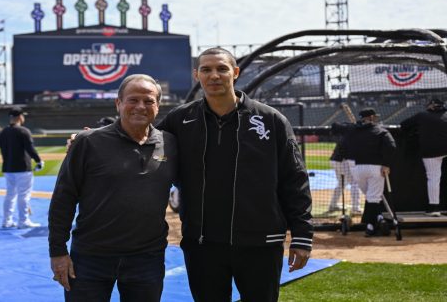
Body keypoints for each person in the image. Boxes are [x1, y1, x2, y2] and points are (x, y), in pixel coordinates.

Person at [156, 47, 313, 302]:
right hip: (203, 244)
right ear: (197, 75)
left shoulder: (271, 120)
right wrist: (91, 137)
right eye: (206, 69)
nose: (214, 75)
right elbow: (142, 142)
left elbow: (295, 180)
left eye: (222, 68)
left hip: (261, 243)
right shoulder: (180, 119)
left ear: (236, 73)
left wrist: (302, 236)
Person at [48, 74, 177, 302]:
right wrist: (57, 251)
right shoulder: (88, 142)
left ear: (158, 106)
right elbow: (63, 198)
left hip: (146, 259)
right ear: (118, 103)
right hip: (90, 258)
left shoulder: (171, 143)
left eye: (148, 101)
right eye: (133, 100)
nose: (140, 106)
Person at [341, 108, 396, 237]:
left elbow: (341, 142)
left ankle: (379, 218)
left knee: (371, 198)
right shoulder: (380, 130)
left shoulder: (352, 130)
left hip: (357, 168)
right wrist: (386, 164)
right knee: (373, 198)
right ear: (371, 117)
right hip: (375, 168)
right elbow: (391, 146)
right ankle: (371, 227)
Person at [0, 107, 44, 229]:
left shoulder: (3, 132)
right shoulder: (23, 131)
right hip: (23, 168)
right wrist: (39, 161)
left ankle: (6, 221)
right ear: (19, 117)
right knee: (24, 195)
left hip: (8, 168)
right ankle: (23, 221)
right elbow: (30, 149)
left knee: (10, 195)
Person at [401, 98, 447, 217]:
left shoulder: (422, 115)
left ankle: (434, 207)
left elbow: (403, 125)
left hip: (431, 151)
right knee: (435, 178)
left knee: (433, 178)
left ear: (431, 106)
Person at [328, 139, 361, 214]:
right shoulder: (353, 136)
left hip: (334, 160)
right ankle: (356, 208)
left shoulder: (347, 134)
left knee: (342, 183)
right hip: (342, 161)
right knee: (354, 182)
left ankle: (333, 205)